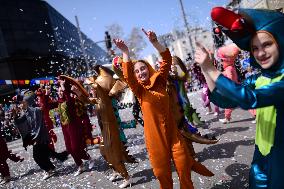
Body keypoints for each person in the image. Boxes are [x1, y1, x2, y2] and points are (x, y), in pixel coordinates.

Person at [195, 7, 284, 189]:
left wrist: (214, 71)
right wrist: (206, 68)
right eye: (255, 48)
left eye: (267, 44)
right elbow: (225, 100)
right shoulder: (259, 78)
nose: (260, 53)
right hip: (261, 156)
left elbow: (251, 99)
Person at [114, 28, 213, 189]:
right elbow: (128, 75)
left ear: (149, 68)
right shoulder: (139, 90)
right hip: (155, 140)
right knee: (161, 174)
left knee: (183, 166)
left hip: (174, 135)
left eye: (143, 68)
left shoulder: (160, 81)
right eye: (137, 71)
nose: (140, 72)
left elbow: (166, 59)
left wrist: (155, 42)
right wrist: (125, 52)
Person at [217, 43, 240, 123]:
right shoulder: (231, 67)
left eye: (222, 60)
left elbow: (229, 77)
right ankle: (256, 115)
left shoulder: (229, 68)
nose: (221, 62)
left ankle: (227, 118)